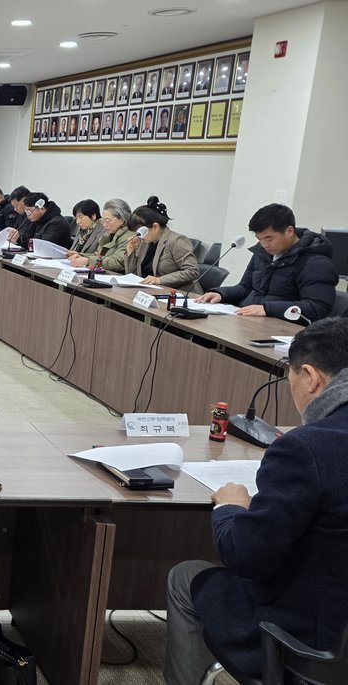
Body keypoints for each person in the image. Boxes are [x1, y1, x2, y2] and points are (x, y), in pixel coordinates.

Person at [164, 317, 348, 684]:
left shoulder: (305, 448)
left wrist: (231, 506)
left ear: (310, 377)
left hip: (310, 640)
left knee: (186, 576)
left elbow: (246, 556)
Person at [195, 203, 337, 320]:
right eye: (260, 239)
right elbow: (245, 287)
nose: (264, 245)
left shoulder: (317, 263)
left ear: (289, 231)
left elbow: (317, 307)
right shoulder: (263, 253)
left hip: (280, 329)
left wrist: (268, 309)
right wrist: (221, 294)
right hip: (248, 320)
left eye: (269, 239)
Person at [123, 196, 200, 288]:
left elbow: (192, 271)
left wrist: (160, 280)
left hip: (178, 292)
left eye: (140, 231)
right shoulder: (145, 242)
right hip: (149, 291)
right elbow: (132, 276)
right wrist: (131, 250)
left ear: (155, 227)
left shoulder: (177, 240)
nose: (138, 235)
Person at [68, 198, 134, 271]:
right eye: (103, 220)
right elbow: (98, 255)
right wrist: (81, 256)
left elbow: (117, 262)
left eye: (107, 221)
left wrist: (88, 261)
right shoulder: (109, 234)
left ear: (122, 220)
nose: (104, 225)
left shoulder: (130, 237)